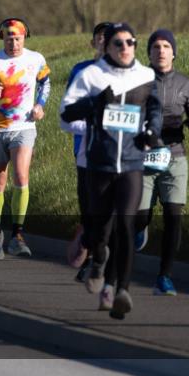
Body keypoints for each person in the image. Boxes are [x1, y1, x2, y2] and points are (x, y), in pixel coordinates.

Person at [60, 22, 163, 320]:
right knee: (99, 231)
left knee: (126, 226)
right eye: (118, 43)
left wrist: (152, 131)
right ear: (108, 47)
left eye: (130, 42)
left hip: (132, 164)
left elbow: (154, 109)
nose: (125, 48)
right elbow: (66, 114)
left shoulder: (144, 76)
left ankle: (121, 291)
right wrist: (94, 103)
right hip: (99, 164)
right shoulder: (91, 76)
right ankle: (98, 259)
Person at [135, 29, 189, 297]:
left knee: (174, 218)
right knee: (140, 216)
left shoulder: (185, 84)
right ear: (149, 53)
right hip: (143, 158)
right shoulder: (138, 82)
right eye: (155, 47)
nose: (161, 51)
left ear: (174, 52)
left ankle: (164, 277)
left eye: (166, 46)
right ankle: (139, 229)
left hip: (175, 158)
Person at [0, 18, 51, 259]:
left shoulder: (35, 59)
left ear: (24, 38)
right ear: (2, 38)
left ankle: (18, 234)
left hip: (24, 127)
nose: (14, 42)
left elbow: (45, 83)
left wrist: (40, 105)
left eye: (17, 38)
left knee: (21, 175)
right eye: (9, 38)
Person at [61, 22, 112, 277]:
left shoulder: (129, 74)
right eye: (100, 38)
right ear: (93, 42)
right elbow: (67, 113)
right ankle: (91, 253)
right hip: (85, 149)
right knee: (90, 207)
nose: (104, 42)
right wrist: (92, 125)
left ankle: (98, 260)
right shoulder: (81, 71)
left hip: (118, 154)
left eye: (110, 38)